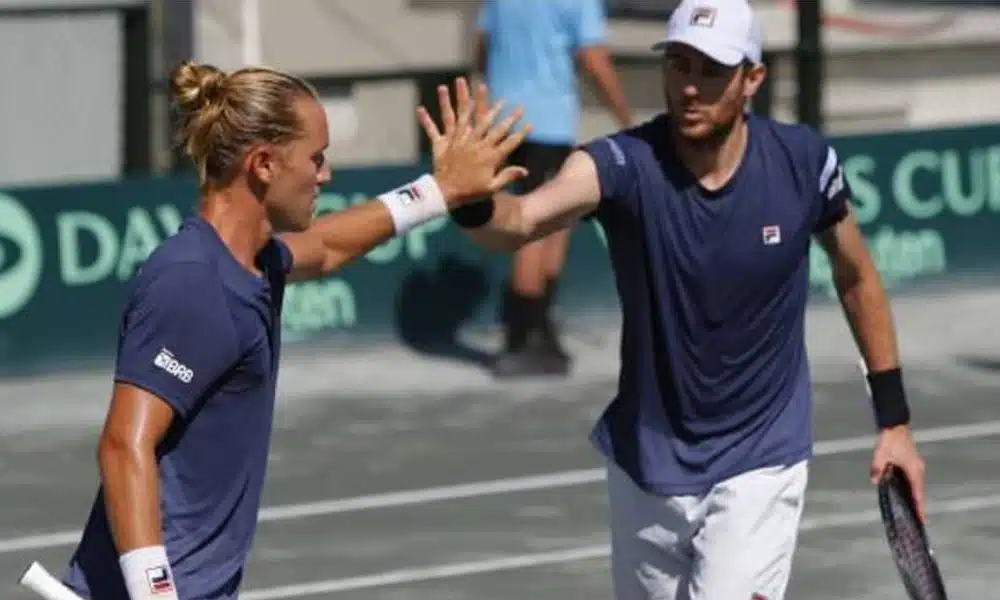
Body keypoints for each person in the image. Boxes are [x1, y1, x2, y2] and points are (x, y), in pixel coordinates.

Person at [446, 1, 927, 598]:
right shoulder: (621, 164)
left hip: (761, 459)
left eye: (712, 69)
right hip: (647, 467)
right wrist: (468, 199)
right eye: (679, 65)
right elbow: (516, 223)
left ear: (753, 78)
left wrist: (894, 421)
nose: (691, 87)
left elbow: (857, 276)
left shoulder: (804, 163)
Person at [59, 62, 529, 600]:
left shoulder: (253, 262)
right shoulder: (191, 282)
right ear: (263, 164)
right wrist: (155, 593)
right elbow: (124, 445)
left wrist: (438, 191)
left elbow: (327, 246)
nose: (325, 175)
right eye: (317, 158)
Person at [474, 0, 632, 378]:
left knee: (540, 219)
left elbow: (481, 46)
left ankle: (538, 328)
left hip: (503, 120)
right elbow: (595, 59)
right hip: (547, 121)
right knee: (539, 226)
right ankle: (524, 335)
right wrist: (626, 118)